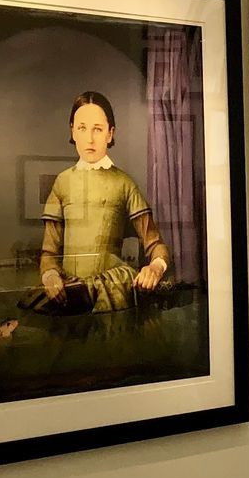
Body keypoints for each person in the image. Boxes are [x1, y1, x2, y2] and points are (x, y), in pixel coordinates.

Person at [28, 91, 170, 313]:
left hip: (110, 291)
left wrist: (155, 267)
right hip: (68, 290)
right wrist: (50, 275)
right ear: (73, 131)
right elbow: (48, 252)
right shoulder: (62, 182)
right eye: (82, 128)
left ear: (110, 134)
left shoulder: (124, 183)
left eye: (98, 129)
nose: (90, 139)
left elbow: (155, 244)